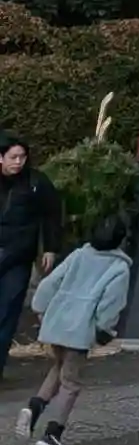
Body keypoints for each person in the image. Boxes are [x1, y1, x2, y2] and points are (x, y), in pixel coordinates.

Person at [18, 214, 130, 445]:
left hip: (57, 322)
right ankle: (53, 433)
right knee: (71, 383)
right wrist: (103, 331)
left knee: (59, 368)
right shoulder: (119, 267)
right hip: (80, 329)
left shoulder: (79, 255)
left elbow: (50, 283)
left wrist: (40, 308)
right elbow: (111, 304)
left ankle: (35, 407)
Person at [0, 132, 61, 383]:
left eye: (22, 157)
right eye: (13, 157)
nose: (18, 162)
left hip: (18, 255)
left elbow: (52, 214)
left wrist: (50, 247)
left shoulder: (36, 182)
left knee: (7, 312)